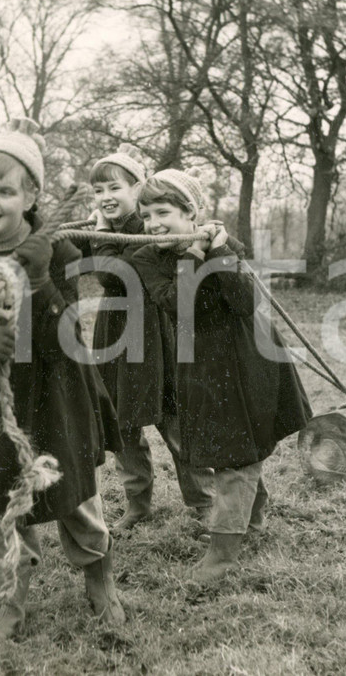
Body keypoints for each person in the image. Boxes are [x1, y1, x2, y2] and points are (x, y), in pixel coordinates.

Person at [0, 118, 125, 640]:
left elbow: (71, 335)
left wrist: (40, 281)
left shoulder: (57, 249)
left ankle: (99, 578)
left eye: (5, 191)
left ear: (31, 196)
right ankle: (12, 606)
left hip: (58, 390)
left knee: (74, 497)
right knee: (0, 503)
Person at [129, 168, 312, 582]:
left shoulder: (224, 246)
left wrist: (218, 251)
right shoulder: (147, 258)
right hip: (200, 361)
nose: (153, 224)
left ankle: (223, 554)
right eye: (146, 216)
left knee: (238, 449)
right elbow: (177, 304)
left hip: (248, 356)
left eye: (163, 212)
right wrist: (193, 255)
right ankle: (252, 521)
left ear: (191, 212)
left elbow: (245, 302)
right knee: (232, 443)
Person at [81, 144, 213, 530]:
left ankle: (204, 502)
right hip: (115, 333)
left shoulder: (147, 228)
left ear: (138, 189)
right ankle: (138, 503)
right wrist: (95, 230)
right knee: (122, 423)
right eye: (98, 191)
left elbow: (112, 274)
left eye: (115, 188)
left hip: (156, 332)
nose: (106, 197)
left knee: (175, 420)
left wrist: (101, 231)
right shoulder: (101, 230)